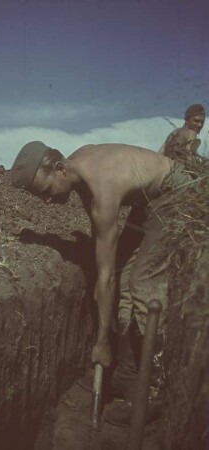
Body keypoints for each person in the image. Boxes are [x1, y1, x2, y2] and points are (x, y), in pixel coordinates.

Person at [10, 141, 191, 424]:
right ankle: (128, 374)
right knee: (123, 272)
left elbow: (105, 276)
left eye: (45, 192)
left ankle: (155, 390)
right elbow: (103, 248)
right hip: (147, 199)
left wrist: (102, 342)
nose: (45, 201)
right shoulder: (79, 167)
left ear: (59, 169)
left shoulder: (102, 186)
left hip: (175, 190)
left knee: (141, 281)